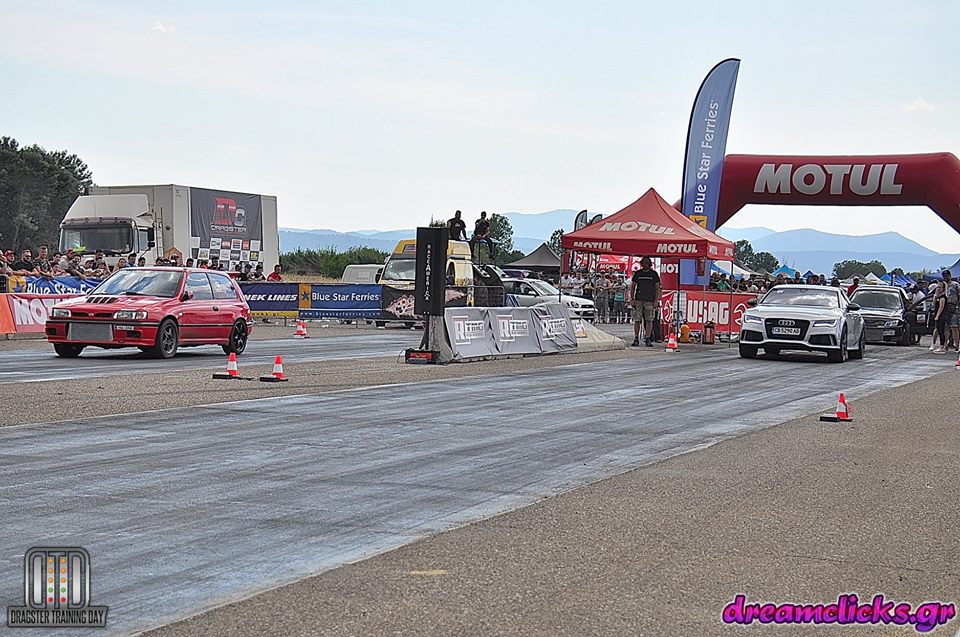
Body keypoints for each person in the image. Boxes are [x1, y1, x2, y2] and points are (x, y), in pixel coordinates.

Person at [628, 256, 661, 347]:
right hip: (638, 300)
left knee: (649, 320)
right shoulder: (638, 273)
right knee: (637, 320)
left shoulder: (654, 274)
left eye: (647, 263)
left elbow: (657, 288)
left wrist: (656, 300)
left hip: (650, 300)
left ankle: (648, 338)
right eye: (643, 263)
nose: (645, 264)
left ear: (649, 264)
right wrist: (632, 299)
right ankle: (636, 338)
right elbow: (632, 287)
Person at [942, 270, 960, 351]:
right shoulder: (942, 285)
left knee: (954, 327)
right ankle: (945, 344)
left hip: (954, 307)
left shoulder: (955, 284)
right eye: (944, 276)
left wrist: (958, 306)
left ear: (950, 276)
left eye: (947, 276)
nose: (945, 277)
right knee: (946, 327)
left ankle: (957, 345)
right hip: (944, 307)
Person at [931, 281, 947, 353]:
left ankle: (942, 346)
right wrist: (935, 296)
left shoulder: (943, 297)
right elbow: (934, 304)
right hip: (938, 315)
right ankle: (942, 346)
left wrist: (937, 316)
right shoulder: (938, 296)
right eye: (937, 287)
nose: (938, 289)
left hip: (941, 316)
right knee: (939, 329)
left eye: (940, 287)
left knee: (941, 331)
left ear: (943, 288)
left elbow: (941, 307)